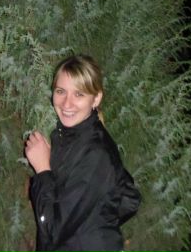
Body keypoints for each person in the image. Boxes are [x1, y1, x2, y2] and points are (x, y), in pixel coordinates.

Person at [25, 54, 141, 252]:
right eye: (61, 91)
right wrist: (94, 223)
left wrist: (43, 170)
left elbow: (52, 230)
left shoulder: (95, 153)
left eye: (79, 94)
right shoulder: (72, 137)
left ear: (96, 98)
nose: (66, 103)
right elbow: (129, 197)